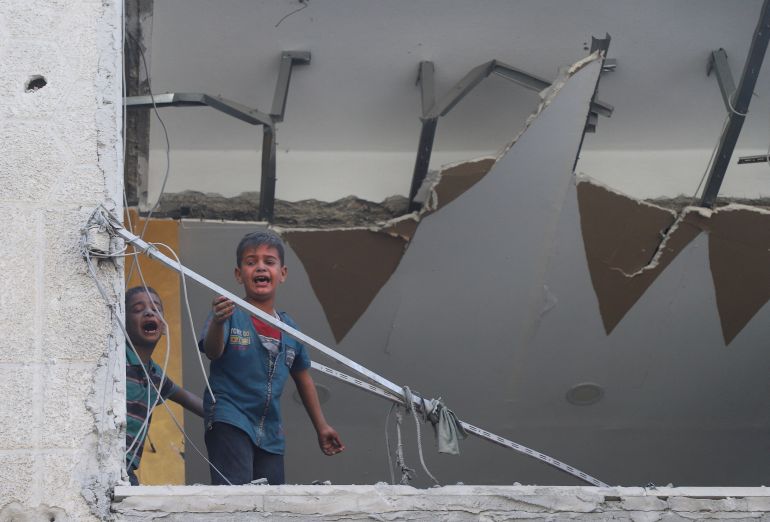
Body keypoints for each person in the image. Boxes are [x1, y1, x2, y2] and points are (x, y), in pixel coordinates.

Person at [199, 230, 344, 485]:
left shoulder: (290, 329)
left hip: (270, 433)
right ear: (238, 274)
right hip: (230, 418)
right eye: (251, 262)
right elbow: (213, 351)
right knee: (237, 496)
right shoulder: (228, 313)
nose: (260, 267)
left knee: (273, 499)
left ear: (282, 273)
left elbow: (303, 377)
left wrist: (322, 426)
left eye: (269, 261)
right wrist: (218, 323)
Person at [125, 286, 204, 485]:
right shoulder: (118, 361)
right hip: (105, 461)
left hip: (127, 469)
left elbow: (189, 400)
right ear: (123, 322)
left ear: (164, 327)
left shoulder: (155, 375)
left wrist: (230, 416)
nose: (149, 312)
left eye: (156, 309)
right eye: (138, 309)